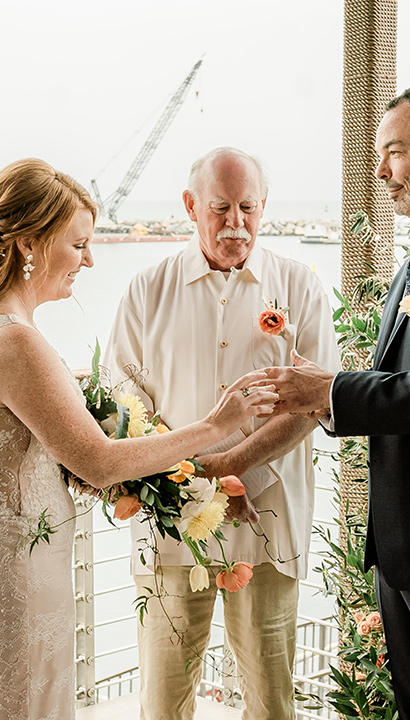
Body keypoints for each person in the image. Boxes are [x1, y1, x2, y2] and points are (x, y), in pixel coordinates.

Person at [0, 157, 278, 720]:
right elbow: (100, 463)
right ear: (30, 244)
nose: (89, 259)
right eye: (77, 244)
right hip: (25, 573)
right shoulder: (19, 343)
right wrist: (215, 425)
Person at [263, 81, 410, 720]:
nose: (380, 172)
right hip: (405, 545)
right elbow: (404, 375)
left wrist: (330, 390)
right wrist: (320, 392)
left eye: (394, 152)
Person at [104, 146, 340, 720]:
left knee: (270, 701)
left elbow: (314, 403)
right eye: (220, 208)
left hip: (269, 525)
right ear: (189, 206)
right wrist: (190, 484)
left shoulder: (301, 289)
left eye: (248, 208)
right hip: (169, 529)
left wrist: (232, 468)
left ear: (265, 207)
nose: (237, 223)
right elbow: (122, 402)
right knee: (163, 699)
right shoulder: (144, 291)